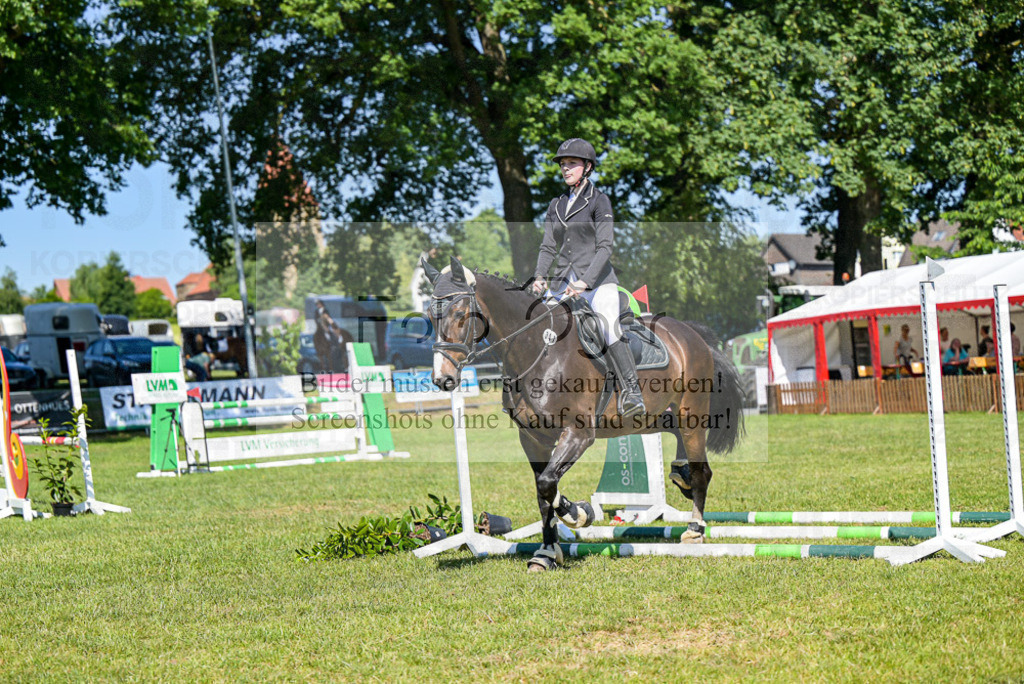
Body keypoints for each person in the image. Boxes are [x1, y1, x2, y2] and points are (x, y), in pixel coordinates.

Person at [531, 137, 645, 419]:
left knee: (608, 326)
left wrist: (585, 282)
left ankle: (632, 392)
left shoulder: (598, 200)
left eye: (572, 163)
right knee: (539, 326)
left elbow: (605, 247)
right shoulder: (556, 204)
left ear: (588, 167)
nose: (565, 168)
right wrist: (539, 276)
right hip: (561, 283)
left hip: (597, 283)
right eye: (563, 164)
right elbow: (548, 246)